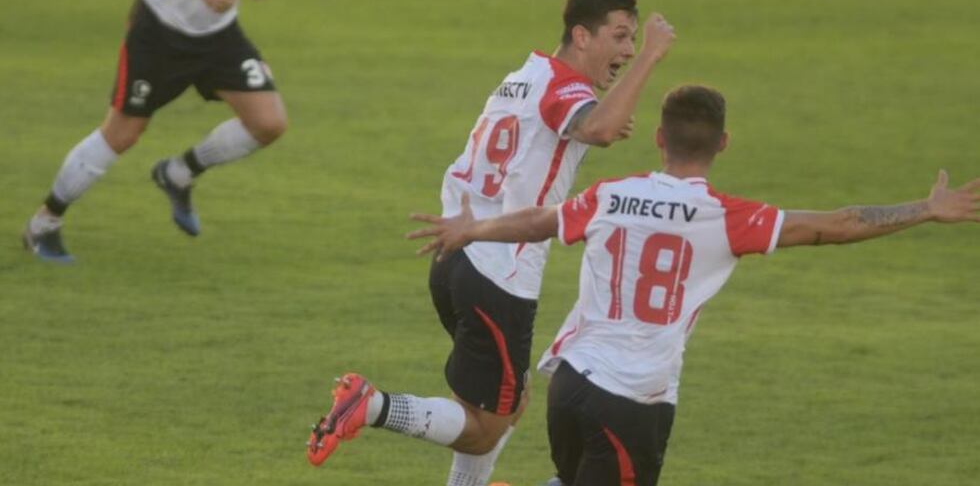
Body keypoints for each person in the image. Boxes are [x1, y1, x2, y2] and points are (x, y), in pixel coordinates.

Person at [407, 84, 980, 486]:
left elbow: (540, 220)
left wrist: (472, 227)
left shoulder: (610, 194)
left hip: (571, 383)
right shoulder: (726, 217)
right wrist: (927, 210)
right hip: (633, 399)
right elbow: (838, 225)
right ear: (723, 144)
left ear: (659, 138)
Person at [306, 0, 677, 486]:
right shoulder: (564, 85)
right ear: (582, 36)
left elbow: (583, 126)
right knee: (484, 428)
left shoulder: (524, 74)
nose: (628, 48)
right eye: (619, 36)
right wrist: (651, 60)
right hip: (500, 271)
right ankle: (372, 406)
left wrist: (600, 116)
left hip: (456, 252)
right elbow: (600, 129)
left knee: (508, 397)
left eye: (634, 39)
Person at [22, 0, 312, 263]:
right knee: (122, 134)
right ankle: (43, 224)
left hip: (218, 29)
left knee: (268, 123)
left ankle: (178, 173)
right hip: (161, 25)